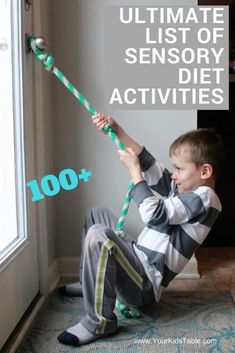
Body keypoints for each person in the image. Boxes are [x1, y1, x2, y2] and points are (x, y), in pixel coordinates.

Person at [57, 113, 224, 347]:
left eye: (179, 168)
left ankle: (99, 322)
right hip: (137, 258)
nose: (173, 174)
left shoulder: (206, 200)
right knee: (96, 214)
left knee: (98, 234)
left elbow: (154, 215)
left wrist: (135, 174)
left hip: (144, 284)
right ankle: (90, 284)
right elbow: (150, 165)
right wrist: (119, 131)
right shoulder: (185, 189)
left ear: (205, 172)